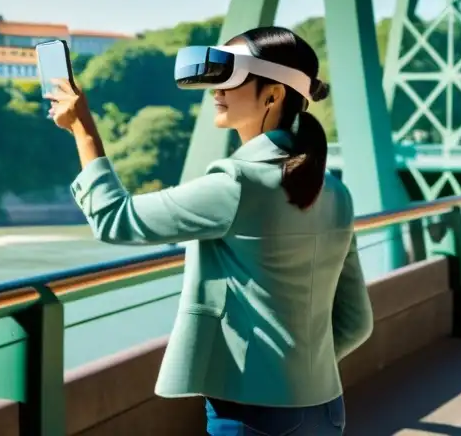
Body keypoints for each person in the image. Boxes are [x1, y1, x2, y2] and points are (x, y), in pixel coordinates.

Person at [46, 26, 373, 436]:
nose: (216, 90)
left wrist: (81, 127)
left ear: (273, 94)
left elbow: (116, 217)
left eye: (231, 77)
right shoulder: (335, 192)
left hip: (253, 415)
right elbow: (356, 322)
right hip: (325, 407)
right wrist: (297, 373)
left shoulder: (237, 184)